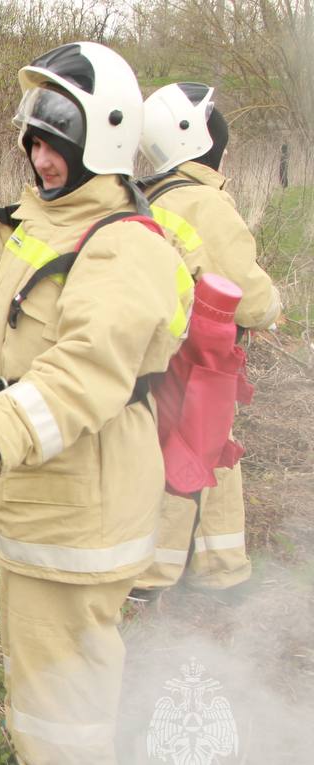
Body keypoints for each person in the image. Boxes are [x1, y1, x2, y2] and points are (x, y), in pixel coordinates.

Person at [0, 42, 193, 765]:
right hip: (46, 485)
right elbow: (23, 240)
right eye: (35, 142)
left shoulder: (125, 246)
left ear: (101, 144)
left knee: (66, 658)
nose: (41, 160)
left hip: (85, 493)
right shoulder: (57, 211)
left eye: (57, 147)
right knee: (41, 643)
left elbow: (85, 370)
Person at [129, 83, 282, 602]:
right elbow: (247, 293)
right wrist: (273, 306)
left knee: (188, 448)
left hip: (160, 350)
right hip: (199, 357)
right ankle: (176, 575)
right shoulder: (204, 203)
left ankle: (215, 565)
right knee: (198, 452)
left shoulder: (150, 197)